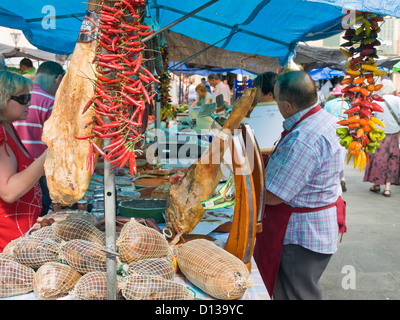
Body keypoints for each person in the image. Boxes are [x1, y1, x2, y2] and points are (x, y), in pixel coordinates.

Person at [253, 71, 346, 300]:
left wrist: (240, 188)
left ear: (286, 105)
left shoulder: (303, 139)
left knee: (295, 293)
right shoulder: (327, 120)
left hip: (302, 235)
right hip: (319, 224)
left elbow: (275, 195)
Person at [0, 70, 47, 252]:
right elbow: (9, 192)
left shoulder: (8, 126)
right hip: (6, 243)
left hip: (20, 235)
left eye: (29, 97)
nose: (29, 103)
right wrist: (50, 154)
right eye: (22, 99)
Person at [14, 61, 64, 216]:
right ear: (58, 78)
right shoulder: (49, 102)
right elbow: (58, 143)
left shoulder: (16, 98)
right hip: (38, 176)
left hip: (13, 174)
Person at [363, 83, 400, 197]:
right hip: (394, 133)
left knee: (378, 158)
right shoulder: (398, 100)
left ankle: (376, 184)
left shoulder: (377, 101)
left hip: (378, 134)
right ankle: (387, 188)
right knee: (393, 157)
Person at [323, 84, 351, 192]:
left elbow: (323, 116)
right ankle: (342, 178)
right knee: (342, 155)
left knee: (332, 155)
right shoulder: (349, 104)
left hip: (331, 131)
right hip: (345, 132)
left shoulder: (329, 104)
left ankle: (335, 178)